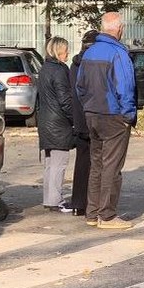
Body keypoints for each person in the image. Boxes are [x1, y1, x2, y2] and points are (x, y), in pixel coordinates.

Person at [76, 12, 136, 229]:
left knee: (97, 165)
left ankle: (92, 213)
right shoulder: (118, 53)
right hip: (113, 116)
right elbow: (125, 88)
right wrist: (128, 116)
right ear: (120, 29)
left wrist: (88, 106)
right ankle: (107, 215)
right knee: (112, 166)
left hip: (92, 113)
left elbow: (80, 86)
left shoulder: (89, 52)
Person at [37, 36, 74, 212]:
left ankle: (49, 198)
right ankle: (56, 200)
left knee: (50, 163)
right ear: (59, 51)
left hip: (46, 120)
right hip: (59, 123)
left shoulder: (44, 68)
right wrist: (75, 118)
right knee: (59, 163)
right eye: (65, 50)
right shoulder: (60, 70)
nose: (68, 53)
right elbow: (65, 99)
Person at [64, 30, 98, 216]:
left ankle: (78, 202)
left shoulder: (75, 64)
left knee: (82, 161)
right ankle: (94, 203)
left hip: (79, 118)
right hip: (93, 115)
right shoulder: (94, 63)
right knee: (97, 162)